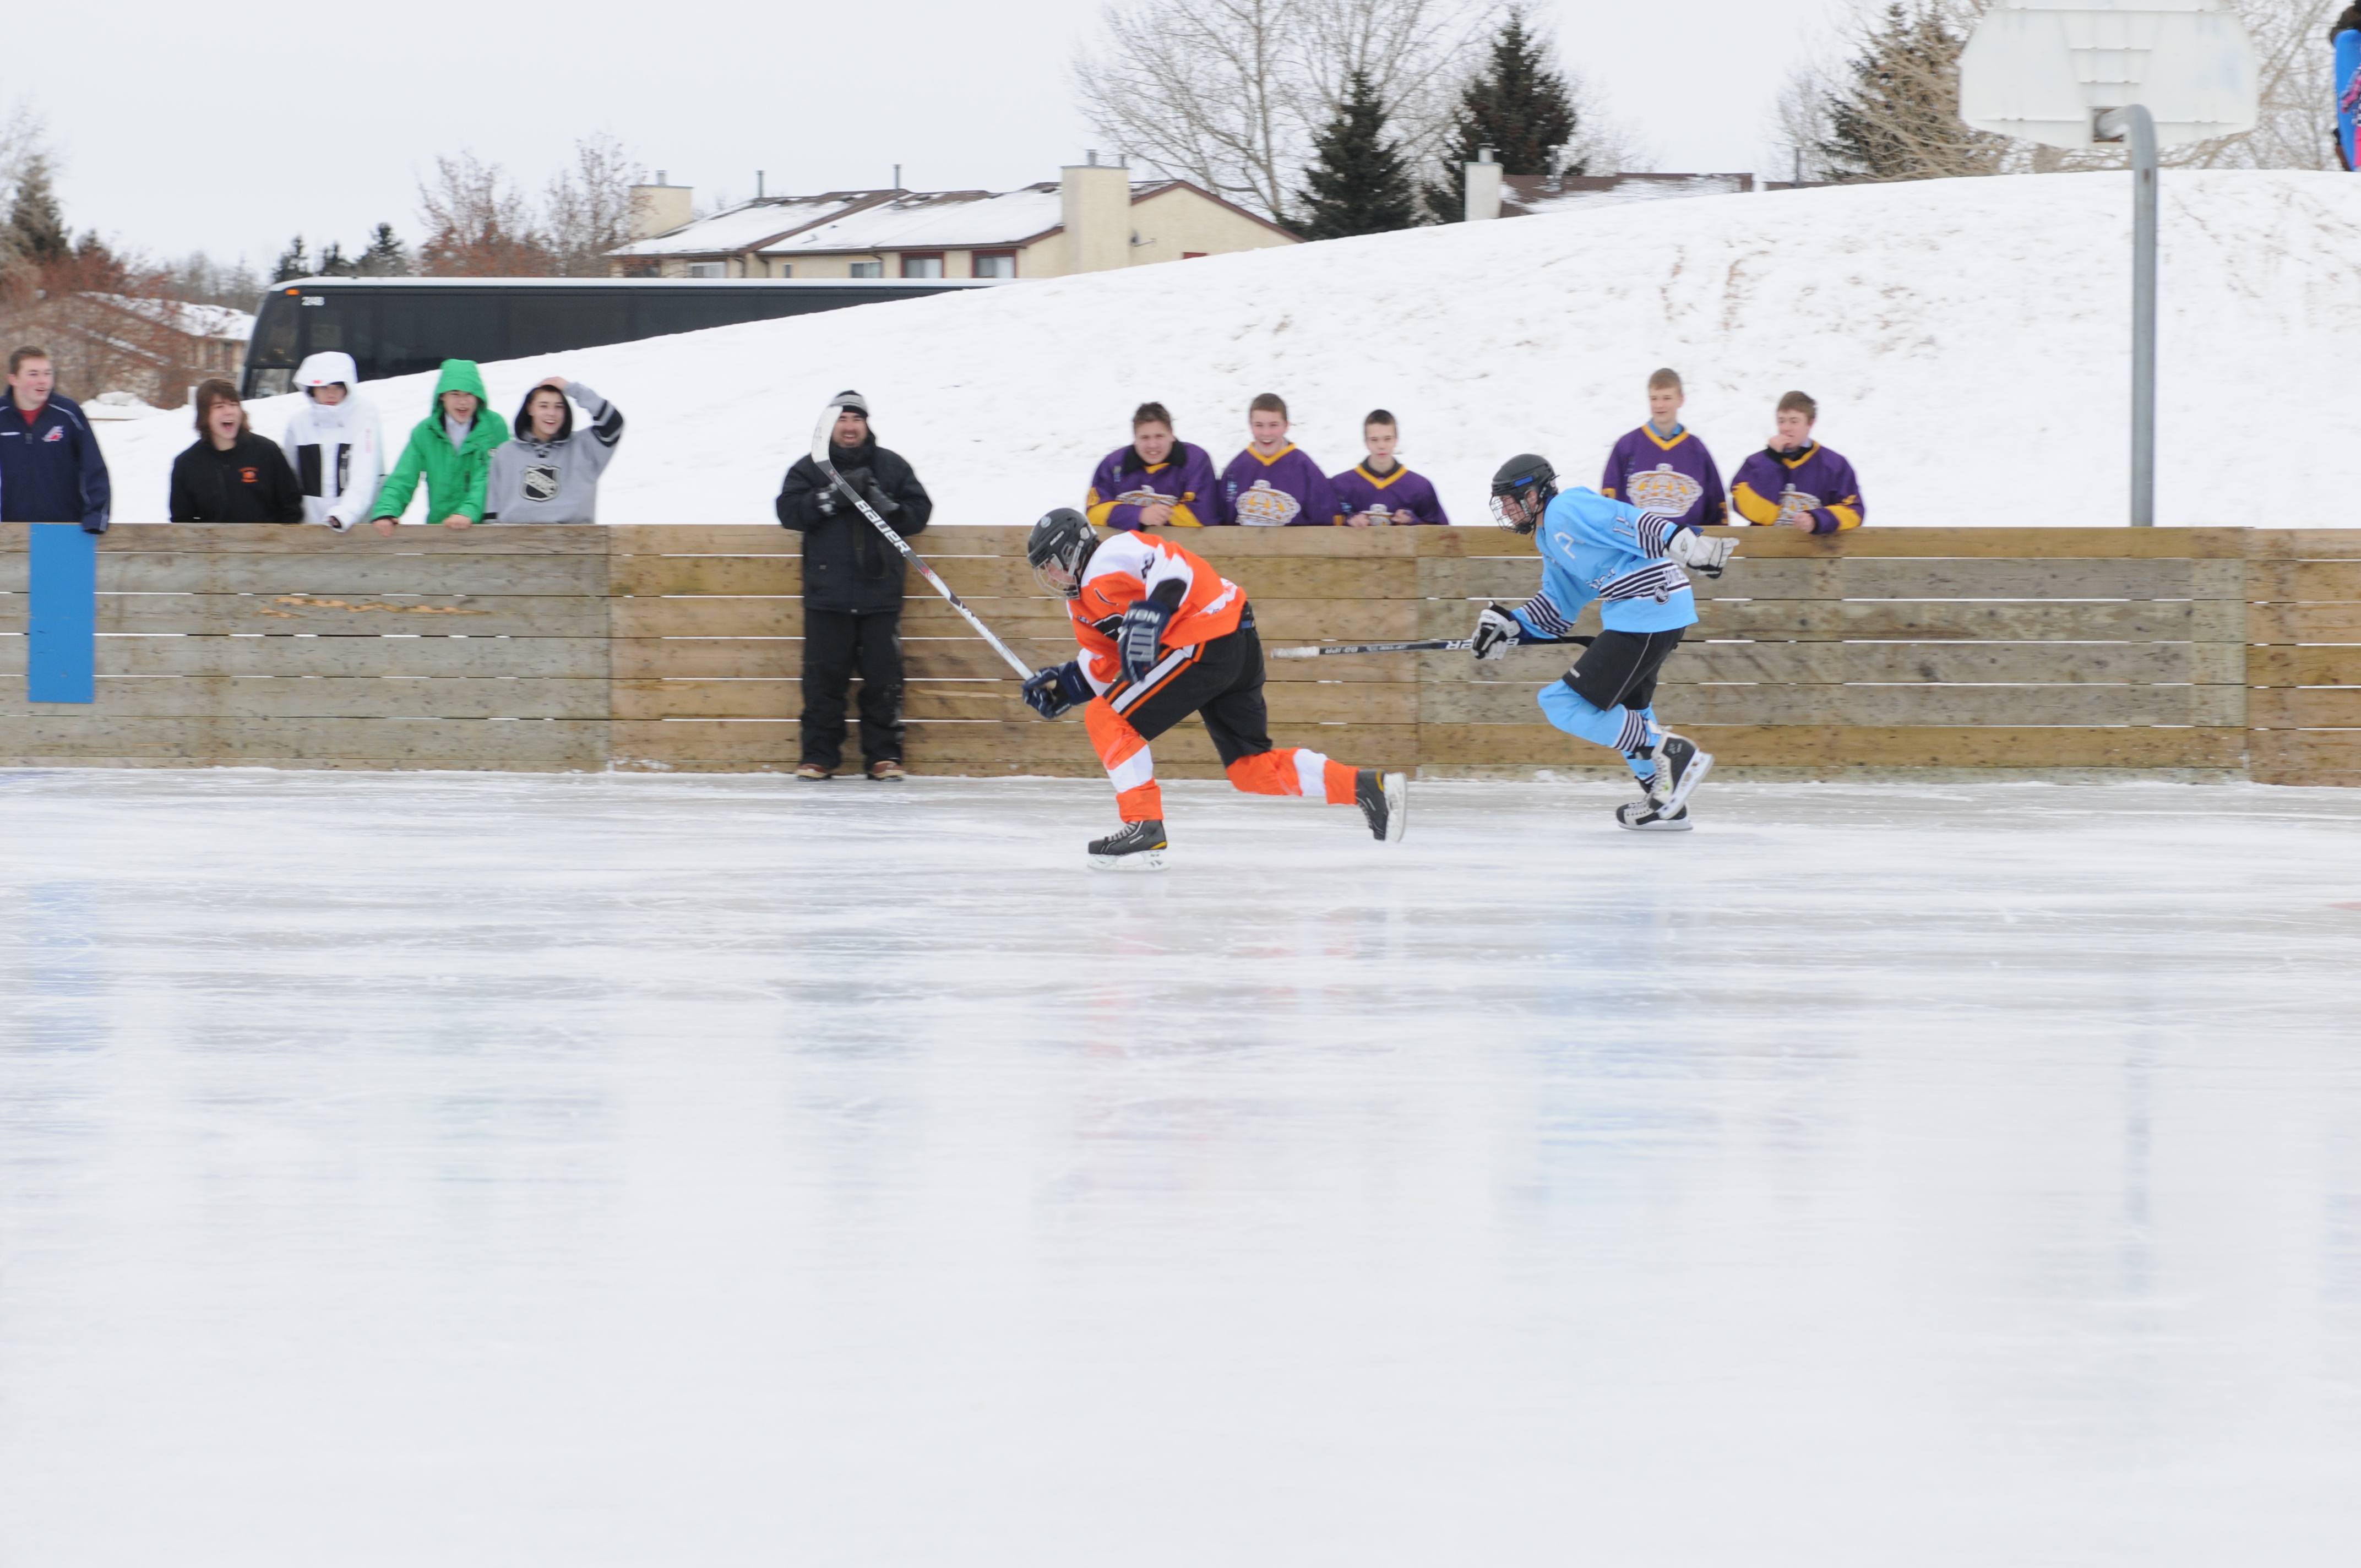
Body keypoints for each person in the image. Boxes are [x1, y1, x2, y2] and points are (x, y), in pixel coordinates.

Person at [1019, 506, 1406, 868]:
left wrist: (1151, 616)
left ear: (1072, 552)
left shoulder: (1111, 554)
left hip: (1206, 637)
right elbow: (1107, 662)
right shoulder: (1081, 606)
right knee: (1250, 769)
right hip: (1231, 642)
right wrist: (1065, 687)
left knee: (1108, 718)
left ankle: (1144, 825)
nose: (1051, 578)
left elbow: (1173, 569)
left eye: (1052, 566)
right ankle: (1367, 786)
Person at [1469, 454, 1736, 831]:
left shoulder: (1566, 507)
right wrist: (1511, 626)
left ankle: (1672, 753)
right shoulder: (1548, 538)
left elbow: (1625, 519)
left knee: (1560, 702)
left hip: (1649, 606)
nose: (1509, 510)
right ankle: (1666, 803)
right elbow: (1558, 608)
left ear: (1537, 493)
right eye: (1505, 504)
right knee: (1631, 711)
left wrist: (1680, 539)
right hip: (1650, 612)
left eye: (1514, 499)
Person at [775, 390, 933, 781]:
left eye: (856, 420)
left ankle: (883, 757)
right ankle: (819, 757)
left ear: (866, 424)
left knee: (883, 683)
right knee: (823, 683)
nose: (849, 427)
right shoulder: (810, 468)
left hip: (880, 596)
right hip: (827, 598)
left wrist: (886, 505)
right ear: (831, 426)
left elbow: (919, 514)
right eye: (842, 420)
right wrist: (833, 497)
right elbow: (789, 511)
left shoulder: (892, 467)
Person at [369, 359, 504, 534]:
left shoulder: (494, 427)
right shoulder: (426, 432)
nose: (463, 402)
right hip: (440, 530)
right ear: (442, 396)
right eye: (455, 394)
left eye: (469, 394)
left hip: (485, 531)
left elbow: (491, 477)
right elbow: (404, 477)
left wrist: (468, 512)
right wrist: (387, 511)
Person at [483, 376, 625, 523]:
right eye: (543, 406)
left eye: (559, 407)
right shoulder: (506, 453)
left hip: (575, 541)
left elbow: (613, 424)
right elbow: (492, 511)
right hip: (517, 542)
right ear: (530, 408)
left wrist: (570, 388)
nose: (552, 413)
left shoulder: (584, 447)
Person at [0, 346, 110, 533]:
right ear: (14, 379)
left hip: (66, 530)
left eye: (47, 373)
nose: (43, 381)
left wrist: (96, 517)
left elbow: (94, 466)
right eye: (33, 374)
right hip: (9, 532)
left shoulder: (68, 413)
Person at [1601, 368, 1726, 531]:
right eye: (1654, 398)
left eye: (1667, 398)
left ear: (1681, 400)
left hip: (1686, 551)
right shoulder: (1627, 446)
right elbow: (1609, 502)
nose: (1659, 405)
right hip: (1636, 549)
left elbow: (1716, 507)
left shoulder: (1698, 451)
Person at [168, 380, 305, 523]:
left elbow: (291, 506)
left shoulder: (267, 452)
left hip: (267, 543)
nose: (229, 411)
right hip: (213, 545)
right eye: (219, 406)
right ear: (204, 415)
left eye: (234, 405)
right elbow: (182, 521)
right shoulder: (187, 464)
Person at [1730, 391, 1864, 533]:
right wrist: (1772, 460)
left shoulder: (1835, 465)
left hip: (1817, 552)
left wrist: (1818, 519)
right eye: (1781, 421)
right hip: (1766, 552)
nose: (1785, 428)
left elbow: (1854, 510)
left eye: (1794, 421)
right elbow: (1755, 512)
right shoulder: (1756, 463)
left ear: (1810, 423)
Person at [279, 351, 382, 530]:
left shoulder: (363, 418)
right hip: (307, 530)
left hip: (354, 529)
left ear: (347, 388)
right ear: (312, 389)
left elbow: (364, 475)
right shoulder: (298, 424)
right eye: (324, 388)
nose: (331, 394)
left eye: (338, 387)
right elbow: (289, 477)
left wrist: (344, 514)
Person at [1084, 401, 1218, 530]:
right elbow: (1093, 512)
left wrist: (1155, 517)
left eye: (1159, 436)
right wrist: (1139, 515)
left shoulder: (1195, 460)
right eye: (1145, 438)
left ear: (1172, 435)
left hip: (1186, 549)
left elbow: (1204, 515)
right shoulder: (1113, 464)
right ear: (1135, 439)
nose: (1152, 445)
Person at [1216, 393, 1338, 526]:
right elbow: (1221, 519)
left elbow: (1326, 522)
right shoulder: (1236, 469)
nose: (1266, 433)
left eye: (1274, 425)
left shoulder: (1305, 468)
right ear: (1251, 426)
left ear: (1286, 426)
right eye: (1259, 425)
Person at [1330, 409, 1448, 526]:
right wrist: (1347, 521)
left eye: (1388, 439)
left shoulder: (1420, 487)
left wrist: (1413, 522)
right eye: (1374, 440)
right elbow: (1322, 523)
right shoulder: (1340, 485)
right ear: (1366, 442)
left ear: (1396, 440)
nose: (1381, 446)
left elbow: (1442, 534)